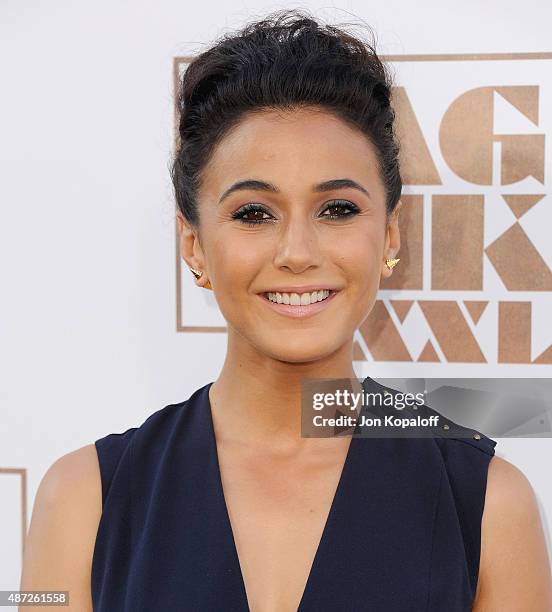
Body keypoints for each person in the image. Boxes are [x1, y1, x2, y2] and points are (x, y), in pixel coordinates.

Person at [19, 9, 552, 611]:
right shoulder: (82, 500)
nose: (297, 253)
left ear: (392, 237)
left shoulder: (485, 503)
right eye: (253, 213)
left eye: (338, 210)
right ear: (193, 244)